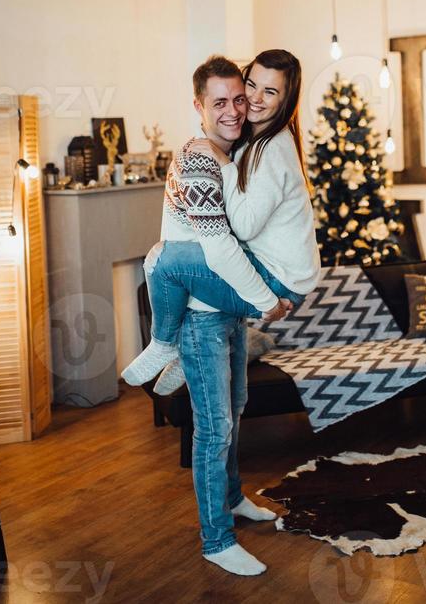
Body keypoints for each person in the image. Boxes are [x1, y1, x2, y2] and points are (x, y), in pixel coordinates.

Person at [122, 51, 320, 576]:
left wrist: (261, 301)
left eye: (257, 93)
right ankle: (216, 540)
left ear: (284, 101)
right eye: (238, 93)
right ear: (198, 106)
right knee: (216, 423)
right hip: (208, 304)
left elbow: (241, 233)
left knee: (231, 410)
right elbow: (217, 245)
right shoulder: (199, 158)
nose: (246, 103)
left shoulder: (253, 149)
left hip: (229, 295)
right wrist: (263, 302)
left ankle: (230, 498)